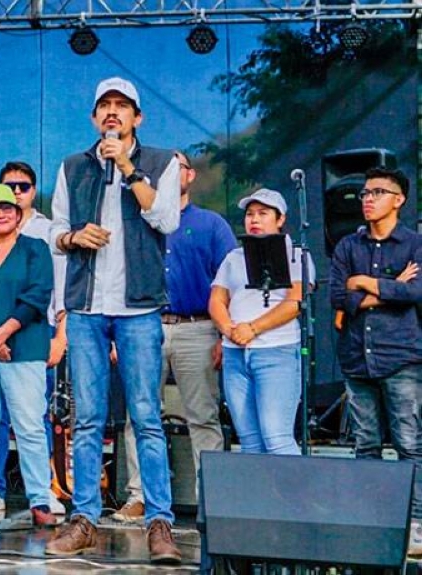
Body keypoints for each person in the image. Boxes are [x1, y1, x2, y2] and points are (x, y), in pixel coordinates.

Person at [46, 77, 181, 563]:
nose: (112, 113)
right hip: (85, 307)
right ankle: (83, 518)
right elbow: (54, 229)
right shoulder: (72, 166)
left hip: (138, 308)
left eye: (122, 106)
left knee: (145, 416)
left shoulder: (161, 162)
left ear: (137, 118)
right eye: (104, 105)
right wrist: (72, 238)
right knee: (86, 419)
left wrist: (127, 166)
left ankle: (159, 523)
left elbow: (165, 219)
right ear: (93, 117)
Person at [114, 152, 235, 523]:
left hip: (197, 326)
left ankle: (210, 500)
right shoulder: (137, 221)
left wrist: (223, 334)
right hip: (143, 324)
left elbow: (232, 281)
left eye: (178, 167)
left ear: (191, 175)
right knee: (140, 414)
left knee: (202, 415)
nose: (171, 173)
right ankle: (139, 496)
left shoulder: (212, 224)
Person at [0, 161, 67, 516]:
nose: (1, 214)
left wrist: (3, 333)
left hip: (25, 347)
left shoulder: (36, 248)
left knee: (30, 426)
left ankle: (39, 500)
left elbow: (38, 295)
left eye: (8, 208)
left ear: (19, 215)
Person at [328, 167, 422, 556]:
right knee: (364, 442)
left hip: (401, 357)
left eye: (378, 192)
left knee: (410, 442)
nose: (367, 198)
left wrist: (363, 283)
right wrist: (389, 287)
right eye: (365, 193)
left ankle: (416, 524)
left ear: (398, 199)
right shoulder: (348, 246)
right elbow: (337, 297)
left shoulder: (414, 244)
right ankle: (367, 518)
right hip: (356, 358)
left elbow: (415, 293)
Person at [209, 188, 310, 456]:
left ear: (280, 219)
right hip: (236, 353)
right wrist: (229, 329)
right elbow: (217, 300)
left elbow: (295, 301)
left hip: (275, 351)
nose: (254, 219)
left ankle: (291, 497)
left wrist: (253, 328)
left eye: (263, 214)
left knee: (276, 437)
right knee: (250, 441)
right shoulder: (234, 257)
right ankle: (257, 498)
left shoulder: (296, 254)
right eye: (250, 214)